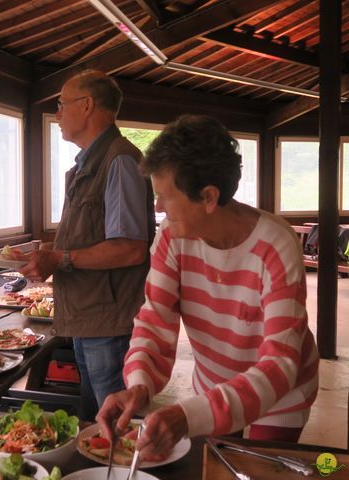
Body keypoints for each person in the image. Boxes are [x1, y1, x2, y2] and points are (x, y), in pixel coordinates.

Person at [97, 114, 320, 461]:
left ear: (209, 196)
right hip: (215, 381)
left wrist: (189, 416)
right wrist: (139, 386)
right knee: (217, 463)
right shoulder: (172, 238)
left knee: (258, 466)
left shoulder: (275, 246)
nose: (157, 207)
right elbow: (155, 320)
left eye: (165, 196)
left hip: (282, 392)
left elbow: (279, 365)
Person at [20, 70, 155, 420]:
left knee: (114, 424)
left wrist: (60, 258)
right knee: (94, 417)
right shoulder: (91, 162)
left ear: (87, 105)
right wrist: (49, 256)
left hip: (107, 322)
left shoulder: (120, 160)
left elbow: (130, 248)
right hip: (86, 316)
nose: (59, 114)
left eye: (62, 105)